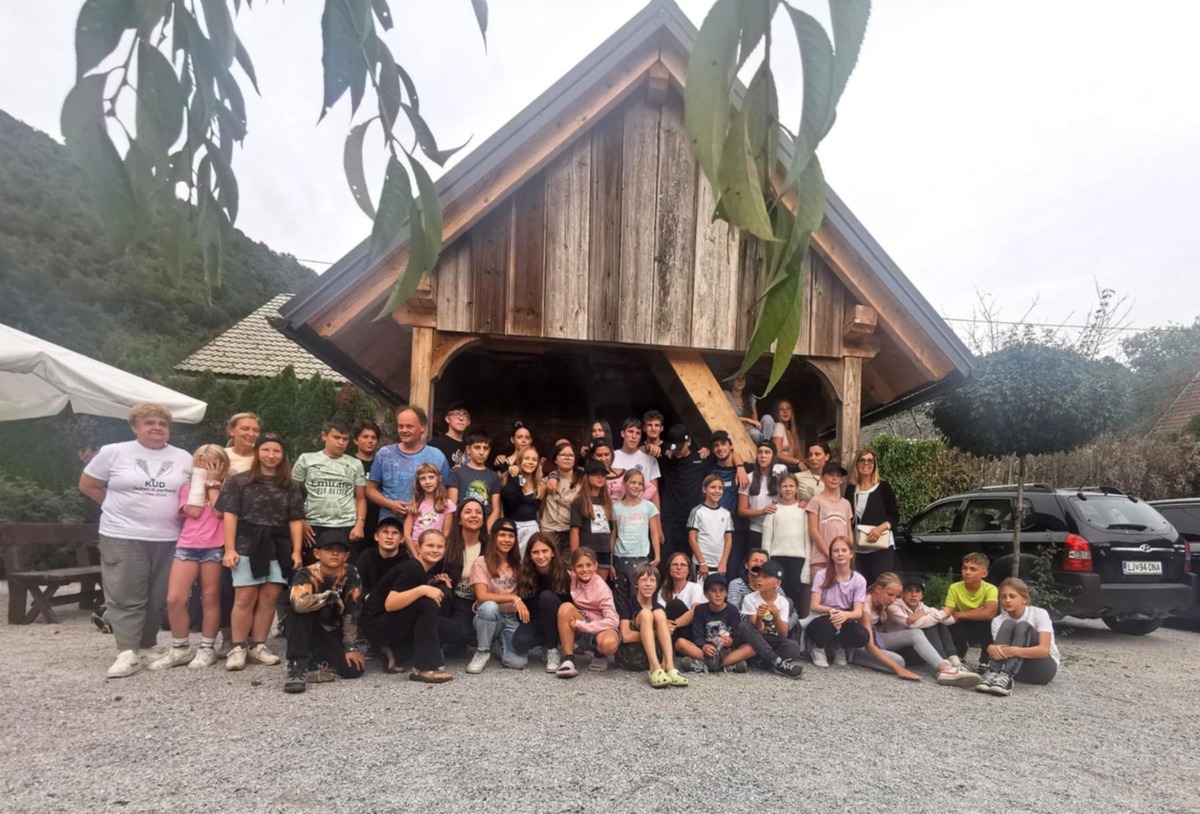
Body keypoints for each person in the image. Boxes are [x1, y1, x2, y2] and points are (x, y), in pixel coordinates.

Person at [79, 402, 194, 678]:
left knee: (157, 596)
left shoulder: (182, 457)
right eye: (149, 423)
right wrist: (115, 507)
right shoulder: (114, 452)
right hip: (123, 533)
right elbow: (88, 484)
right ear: (134, 427)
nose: (157, 428)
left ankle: (145, 646)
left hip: (169, 536)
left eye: (162, 423)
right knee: (125, 594)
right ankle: (127, 650)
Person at [214, 433, 305, 672]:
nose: (271, 455)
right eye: (266, 450)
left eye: (276, 451)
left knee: (269, 597)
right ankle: (238, 647)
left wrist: (297, 551)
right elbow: (230, 515)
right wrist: (229, 548)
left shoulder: (292, 486)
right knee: (244, 597)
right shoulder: (239, 482)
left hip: (278, 544)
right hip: (247, 543)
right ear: (257, 452)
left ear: (283, 454)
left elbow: (296, 519)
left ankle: (258, 645)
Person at [149, 444, 229, 671]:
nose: (206, 467)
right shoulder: (187, 488)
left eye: (212, 463)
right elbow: (193, 511)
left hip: (215, 546)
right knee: (174, 598)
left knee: (210, 598)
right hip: (187, 545)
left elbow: (220, 512)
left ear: (222, 465)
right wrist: (201, 481)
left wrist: (213, 484)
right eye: (201, 462)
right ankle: (180, 648)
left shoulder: (228, 488)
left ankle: (207, 647)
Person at [357, 529, 454, 684]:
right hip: (376, 625)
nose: (435, 550)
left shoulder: (420, 569)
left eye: (439, 546)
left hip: (386, 624)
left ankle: (395, 653)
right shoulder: (412, 568)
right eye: (430, 546)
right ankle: (425, 667)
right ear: (418, 547)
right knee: (427, 603)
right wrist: (423, 589)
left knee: (457, 631)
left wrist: (430, 583)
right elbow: (391, 604)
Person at [282, 530, 365, 693]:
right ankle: (297, 666)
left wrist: (350, 647)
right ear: (317, 553)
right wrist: (330, 597)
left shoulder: (351, 573)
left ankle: (316, 665)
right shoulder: (305, 573)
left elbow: (352, 612)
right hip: (305, 628)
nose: (335, 553)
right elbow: (299, 603)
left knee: (353, 669)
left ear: (346, 556)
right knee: (298, 613)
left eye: (340, 550)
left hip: (332, 630)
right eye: (329, 549)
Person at [859, 572, 978, 685]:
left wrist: (952, 615)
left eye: (896, 596)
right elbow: (869, 644)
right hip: (862, 645)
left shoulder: (884, 604)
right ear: (878, 589)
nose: (893, 599)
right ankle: (854, 658)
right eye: (890, 595)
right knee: (899, 662)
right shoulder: (867, 604)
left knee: (917, 633)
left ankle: (946, 668)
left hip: (879, 639)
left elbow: (944, 620)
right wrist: (899, 670)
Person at [291, 419, 367, 563]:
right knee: (313, 569)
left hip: (346, 525)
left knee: (345, 569)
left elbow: (361, 498)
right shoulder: (306, 459)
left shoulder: (355, 464)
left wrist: (360, 524)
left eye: (345, 439)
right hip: (314, 525)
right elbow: (293, 494)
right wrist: (301, 521)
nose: (341, 443)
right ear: (324, 436)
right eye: (336, 437)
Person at [977, 577, 1060, 695]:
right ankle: (993, 674)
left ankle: (1007, 677)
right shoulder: (998, 621)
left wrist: (1014, 650)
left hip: (1041, 669)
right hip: (1018, 669)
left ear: (1024, 599)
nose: (1007, 600)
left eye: (1012, 596)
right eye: (1003, 597)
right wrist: (991, 648)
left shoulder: (1039, 614)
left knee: (1022, 626)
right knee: (1007, 624)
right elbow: (1001, 652)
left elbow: (1043, 651)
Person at [367, 406, 450, 522]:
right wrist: (390, 504)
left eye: (409, 426)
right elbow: (370, 490)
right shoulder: (384, 454)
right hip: (390, 524)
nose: (404, 430)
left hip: (425, 523)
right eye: (400, 426)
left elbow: (446, 492)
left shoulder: (437, 456)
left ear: (423, 427)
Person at [614, 563, 690, 687]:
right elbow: (626, 636)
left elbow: (666, 637)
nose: (648, 584)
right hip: (632, 656)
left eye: (652, 580)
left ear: (656, 584)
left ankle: (670, 668)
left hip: (657, 656)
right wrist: (658, 632)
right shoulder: (627, 604)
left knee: (659, 613)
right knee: (646, 613)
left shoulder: (659, 607)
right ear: (636, 583)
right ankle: (654, 668)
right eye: (644, 580)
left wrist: (665, 631)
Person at [467, 518, 526, 673]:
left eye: (511, 536)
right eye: (502, 535)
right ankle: (482, 651)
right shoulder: (481, 562)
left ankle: (495, 646)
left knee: (517, 663)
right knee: (489, 606)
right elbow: (481, 596)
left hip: (511, 618)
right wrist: (513, 598)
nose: (507, 540)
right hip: (489, 616)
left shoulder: (518, 564)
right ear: (494, 537)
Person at [555, 547, 620, 678]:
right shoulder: (572, 578)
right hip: (582, 620)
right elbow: (554, 569)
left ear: (595, 565)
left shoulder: (602, 589)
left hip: (600, 626)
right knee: (565, 608)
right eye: (580, 566)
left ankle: (599, 653)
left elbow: (613, 620)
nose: (585, 569)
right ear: (573, 568)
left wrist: (583, 626)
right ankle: (569, 659)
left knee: (609, 643)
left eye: (588, 565)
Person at [512, 533, 573, 673]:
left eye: (544, 551)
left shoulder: (564, 572)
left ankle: (552, 649)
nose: (540, 556)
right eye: (535, 552)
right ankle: (547, 641)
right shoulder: (524, 573)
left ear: (553, 552)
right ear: (530, 555)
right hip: (535, 620)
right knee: (520, 643)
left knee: (546, 596)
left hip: (558, 620)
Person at [807, 536, 869, 667]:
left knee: (862, 635)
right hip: (822, 617)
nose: (840, 554)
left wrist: (845, 615)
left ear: (851, 554)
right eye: (836, 551)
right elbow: (814, 605)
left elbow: (858, 612)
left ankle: (837, 645)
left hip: (845, 618)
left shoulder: (859, 580)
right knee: (828, 625)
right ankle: (818, 647)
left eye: (843, 550)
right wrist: (831, 610)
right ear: (831, 555)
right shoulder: (821, 575)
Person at [737, 559, 805, 678]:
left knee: (792, 647)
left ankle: (761, 662)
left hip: (771, 639)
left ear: (777, 583)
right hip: (755, 637)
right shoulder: (750, 598)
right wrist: (759, 617)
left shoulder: (783, 602)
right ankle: (778, 663)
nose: (759, 579)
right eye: (758, 575)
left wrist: (776, 615)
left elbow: (783, 633)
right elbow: (755, 629)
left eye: (765, 577)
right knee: (744, 626)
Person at [675, 573, 754, 673]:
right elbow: (698, 635)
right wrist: (703, 646)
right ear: (706, 594)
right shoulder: (700, 609)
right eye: (713, 591)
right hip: (706, 650)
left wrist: (730, 641)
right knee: (679, 643)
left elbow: (737, 635)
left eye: (721, 590)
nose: (718, 594)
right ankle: (726, 666)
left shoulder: (732, 610)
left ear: (726, 593)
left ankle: (706, 665)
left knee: (751, 647)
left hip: (726, 651)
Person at [761, 472, 813, 617]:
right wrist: (767, 564)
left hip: (797, 560)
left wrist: (807, 567)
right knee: (777, 596)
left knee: (792, 597)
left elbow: (807, 540)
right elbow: (766, 540)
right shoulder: (773, 510)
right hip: (777, 559)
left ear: (796, 488)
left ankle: (791, 625)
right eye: (784, 486)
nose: (788, 489)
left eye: (791, 486)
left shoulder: (803, 511)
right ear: (779, 488)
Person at [846, 447, 900, 586]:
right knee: (861, 585)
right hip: (859, 546)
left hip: (880, 546)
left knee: (880, 585)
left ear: (874, 465)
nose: (866, 464)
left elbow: (894, 516)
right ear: (856, 464)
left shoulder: (883, 487)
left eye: (870, 461)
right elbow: (848, 517)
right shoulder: (851, 489)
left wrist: (880, 529)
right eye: (862, 460)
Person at [441, 497, 488, 652]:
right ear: (460, 520)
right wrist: (438, 579)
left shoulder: (490, 548)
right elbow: (430, 573)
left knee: (464, 635)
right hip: (453, 599)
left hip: (477, 602)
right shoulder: (448, 546)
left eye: (478, 512)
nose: (474, 515)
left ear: (483, 519)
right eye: (468, 512)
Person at [882, 580, 961, 672]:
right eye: (909, 590)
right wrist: (943, 613)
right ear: (902, 594)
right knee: (930, 624)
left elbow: (949, 621)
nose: (913, 595)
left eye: (917, 591)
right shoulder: (894, 607)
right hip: (899, 650)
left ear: (921, 596)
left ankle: (954, 660)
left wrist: (945, 614)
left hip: (916, 649)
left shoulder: (922, 607)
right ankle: (943, 662)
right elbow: (912, 624)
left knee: (938, 623)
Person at [943, 552, 1000, 671]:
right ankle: (959, 655)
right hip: (962, 623)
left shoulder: (991, 589)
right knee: (953, 625)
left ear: (984, 573)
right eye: (964, 568)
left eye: (973, 569)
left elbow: (989, 614)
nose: (967, 572)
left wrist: (960, 614)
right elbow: (949, 611)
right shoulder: (954, 587)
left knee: (991, 625)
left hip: (982, 624)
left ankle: (985, 660)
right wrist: (979, 611)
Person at [445, 429, 502, 530]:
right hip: (461, 527)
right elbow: (452, 506)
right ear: (468, 449)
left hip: (485, 528)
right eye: (477, 447)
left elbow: (496, 509)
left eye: (485, 448)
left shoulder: (494, 476)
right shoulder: (457, 473)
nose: (481, 452)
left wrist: (487, 531)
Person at [612, 469, 662, 579]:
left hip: (641, 555)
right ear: (624, 484)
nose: (636, 486)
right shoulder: (615, 508)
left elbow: (654, 533)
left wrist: (657, 557)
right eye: (633, 482)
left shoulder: (649, 506)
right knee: (621, 588)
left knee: (639, 586)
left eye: (640, 484)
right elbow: (613, 535)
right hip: (619, 556)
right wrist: (610, 561)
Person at [805, 460, 852, 579]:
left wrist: (848, 552)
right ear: (822, 478)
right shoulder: (816, 501)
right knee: (821, 589)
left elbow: (849, 532)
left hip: (842, 559)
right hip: (821, 558)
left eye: (838, 475)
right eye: (831, 475)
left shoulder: (846, 504)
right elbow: (813, 531)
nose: (834, 478)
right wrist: (829, 553)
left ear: (841, 480)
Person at [738, 438, 786, 554]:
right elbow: (741, 510)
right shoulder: (749, 478)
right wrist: (762, 511)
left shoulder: (780, 477)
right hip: (756, 530)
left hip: (777, 530)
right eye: (760, 452)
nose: (763, 456)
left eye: (767, 452)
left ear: (773, 456)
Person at [569, 459, 614, 578]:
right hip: (586, 551)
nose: (600, 477)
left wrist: (611, 560)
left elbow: (611, 532)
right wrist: (575, 557)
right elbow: (574, 531)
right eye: (595, 474)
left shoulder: (608, 503)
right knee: (585, 585)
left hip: (604, 552)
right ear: (587, 477)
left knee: (600, 586)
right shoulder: (579, 501)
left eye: (603, 475)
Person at [403, 462, 455, 558]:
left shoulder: (447, 504)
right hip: (415, 551)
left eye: (431, 477)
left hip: (435, 552)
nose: (427, 482)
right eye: (423, 478)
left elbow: (446, 533)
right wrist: (416, 556)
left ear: (439, 479)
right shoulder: (414, 505)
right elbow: (406, 534)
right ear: (418, 482)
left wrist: (435, 549)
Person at [687, 474, 734, 579]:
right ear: (704, 489)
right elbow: (692, 538)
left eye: (720, 488)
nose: (717, 491)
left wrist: (723, 562)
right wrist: (702, 562)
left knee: (717, 589)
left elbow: (728, 539)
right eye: (713, 487)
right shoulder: (697, 511)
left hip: (719, 565)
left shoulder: (726, 513)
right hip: (701, 565)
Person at [540, 442, 582, 552]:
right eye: (563, 455)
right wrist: (553, 475)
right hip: (549, 530)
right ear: (555, 459)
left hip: (571, 531)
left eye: (571, 455)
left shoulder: (582, 482)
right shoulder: (545, 481)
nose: (567, 458)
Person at [500, 446, 542, 552]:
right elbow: (507, 503)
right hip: (510, 528)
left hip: (531, 530)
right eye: (526, 458)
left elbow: (542, 511)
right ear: (519, 460)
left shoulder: (541, 486)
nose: (530, 462)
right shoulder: (507, 479)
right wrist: (514, 477)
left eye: (534, 460)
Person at [351, 419, 382, 556]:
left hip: (378, 518)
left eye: (373, 437)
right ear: (355, 440)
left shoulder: (382, 463)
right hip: (354, 518)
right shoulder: (349, 463)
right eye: (365, 437)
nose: (370, 441)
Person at [613, 418, 661, 507]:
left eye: (638, 433)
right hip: (616, 510)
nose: (634, 436)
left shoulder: (650, 460)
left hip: (642, 511)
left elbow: (654, 493)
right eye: (630, 432)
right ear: (622, 433)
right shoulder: (612, 457)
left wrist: (657, 515)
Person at [658, 551, 705, 636]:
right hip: (669, 631)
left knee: (675, 604)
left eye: (683, 565)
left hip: (690, 631)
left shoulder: (695, 587)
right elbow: (660, 613)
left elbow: (695, 611)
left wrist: (673, 624)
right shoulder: (663, 590)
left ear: (688, 570)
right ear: (669, 569)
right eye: (675, 564)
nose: (678, 568)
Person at [357, 516, 406, 595]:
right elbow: (358, 584)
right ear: (376, 536)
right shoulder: (366, 556)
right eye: (385, 532)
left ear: (402, 539)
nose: (390, 537)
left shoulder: (407, 562)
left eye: (395, 533)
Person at [428, 402, 471, 469]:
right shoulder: (436, 445)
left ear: (468, 422)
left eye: (465, 415)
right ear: (447, 419)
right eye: (456, 414)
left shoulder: (472, 446)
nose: (461, 418)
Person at [723, 373, 763, 443]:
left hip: (749, 429)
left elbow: (755, 421)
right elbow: (727, 417)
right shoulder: (726, 395)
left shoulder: (750, 397)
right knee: (755, 434)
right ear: (731, 381)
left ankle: (765, 446)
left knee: (767, 419)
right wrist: (747, 420)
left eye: (743, 378)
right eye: (737, 378)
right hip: (733, 429)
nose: (740, 381)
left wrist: (749, 425)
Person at [768, 400, 803, 471]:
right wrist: (798, 462)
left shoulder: (790, 432)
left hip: (790, 468)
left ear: (791, 413)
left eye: (788, 409)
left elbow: (799, 455)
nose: (785, 411)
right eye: (781, 409)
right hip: (781, 468)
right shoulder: (779, 426)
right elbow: (777, 453)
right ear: (777, 413)